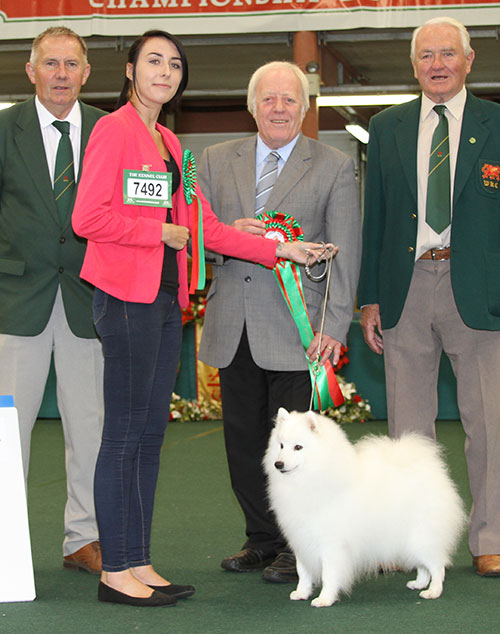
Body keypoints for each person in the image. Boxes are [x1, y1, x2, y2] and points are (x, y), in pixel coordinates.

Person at [72, 31, 326, 607]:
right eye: (153, 61)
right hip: (125, 296)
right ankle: (115, 571)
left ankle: (137, 559)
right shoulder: (111, 130)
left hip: (166, 300)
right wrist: (154, 231)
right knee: (124, 436)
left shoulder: (173, 146)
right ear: (131, 70)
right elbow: (89, 216)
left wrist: (285, 250)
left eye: (175, 64)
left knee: (148, 435)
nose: (165, 71)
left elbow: (209, 228)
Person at [198, 61, 362, 583]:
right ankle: (262, 540)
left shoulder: (333, 165)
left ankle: (300, 547)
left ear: (306, 107)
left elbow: (346, 253)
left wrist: (334, 327)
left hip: (300, 331)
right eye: (268, 99)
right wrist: (227, 239)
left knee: (300, 451)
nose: (278, 108)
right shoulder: (213, 161)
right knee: (244, 444)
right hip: (233, 326)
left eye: (290, 99)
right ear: (252, 105)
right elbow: (196, 243)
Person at [358, 16, 500, 577]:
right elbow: (379, 217)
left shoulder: (496, 122)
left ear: (469, 61)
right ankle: (409, 540)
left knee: (488, 422)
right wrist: (370, 297)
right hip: (406, 287)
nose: (437, 64)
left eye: (448, 53)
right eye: (426, 56)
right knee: (407, 429)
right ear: (413, 65)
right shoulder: (387, 126)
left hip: (481, 292)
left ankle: (490, 537)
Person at [0, 27, 105, 575]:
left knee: (89, 425)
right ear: (31, 70)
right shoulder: (3, 129)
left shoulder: (110, 132)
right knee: (7, 431)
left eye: (71, 64)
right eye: (51, 64)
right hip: (17, 299)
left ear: (86, 73)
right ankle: (3, 543)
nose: (61, 74)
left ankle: (82, 539)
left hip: (88, 301)